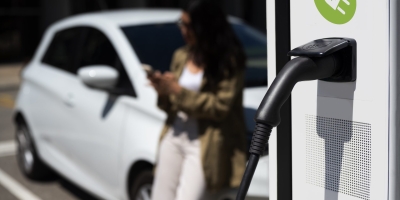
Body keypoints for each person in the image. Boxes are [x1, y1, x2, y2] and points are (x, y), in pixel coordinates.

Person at [149, 1, 247, 199]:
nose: (183, 30)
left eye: (188, 25)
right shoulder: (181, 55)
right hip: (174, 135)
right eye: (181, 24)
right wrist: (162, 90)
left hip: (205, 142)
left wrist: (177, 91)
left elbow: (220, 107)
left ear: (205, 26)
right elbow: (170, 106)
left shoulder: (229, 61)